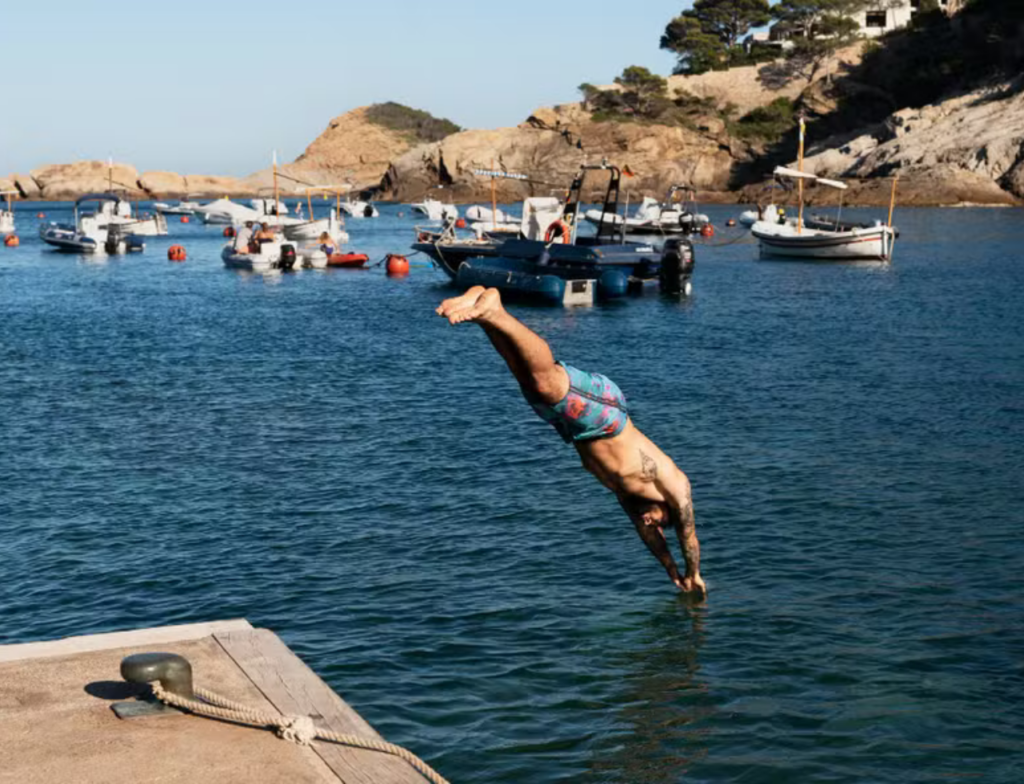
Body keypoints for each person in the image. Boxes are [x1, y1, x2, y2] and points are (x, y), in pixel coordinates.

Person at [436, 286, 706, 596]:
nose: (648, 521)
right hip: (606, 417)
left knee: (527, 379)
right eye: (658, 521)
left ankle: (485, 312)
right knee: (545, 379)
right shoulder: (673, 483)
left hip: (576, 430)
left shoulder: (630, 498)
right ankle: (495, 308)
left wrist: (671, 571)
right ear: (667, 510)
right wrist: (693, 573)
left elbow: (649, 536)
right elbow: (689, 536)